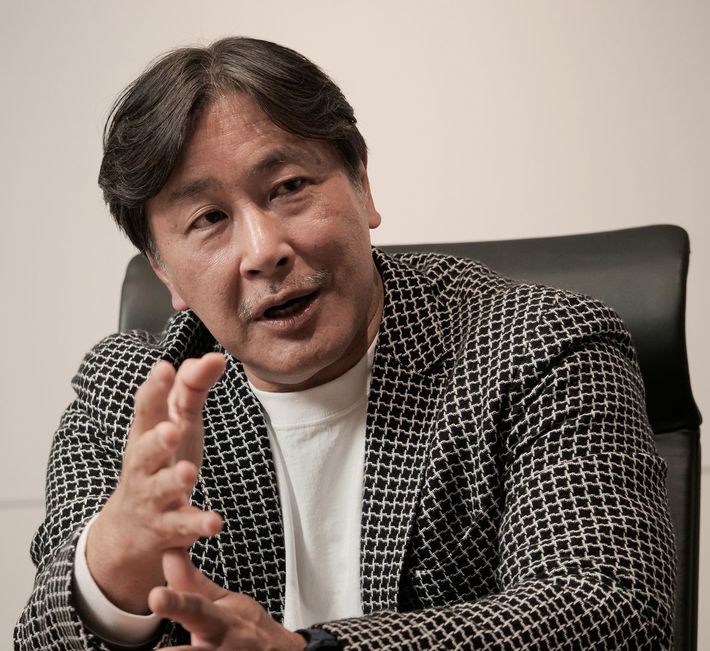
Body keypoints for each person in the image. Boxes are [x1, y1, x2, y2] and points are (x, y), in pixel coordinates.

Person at [15, 37, 675, 650]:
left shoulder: (538, 346)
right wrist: (116, 560)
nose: (264, 250)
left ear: (363, 183)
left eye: (289, 188)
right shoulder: (127, 394)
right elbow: (41, 636)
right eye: (209, 218)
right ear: (163, 270)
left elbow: (611, 607)